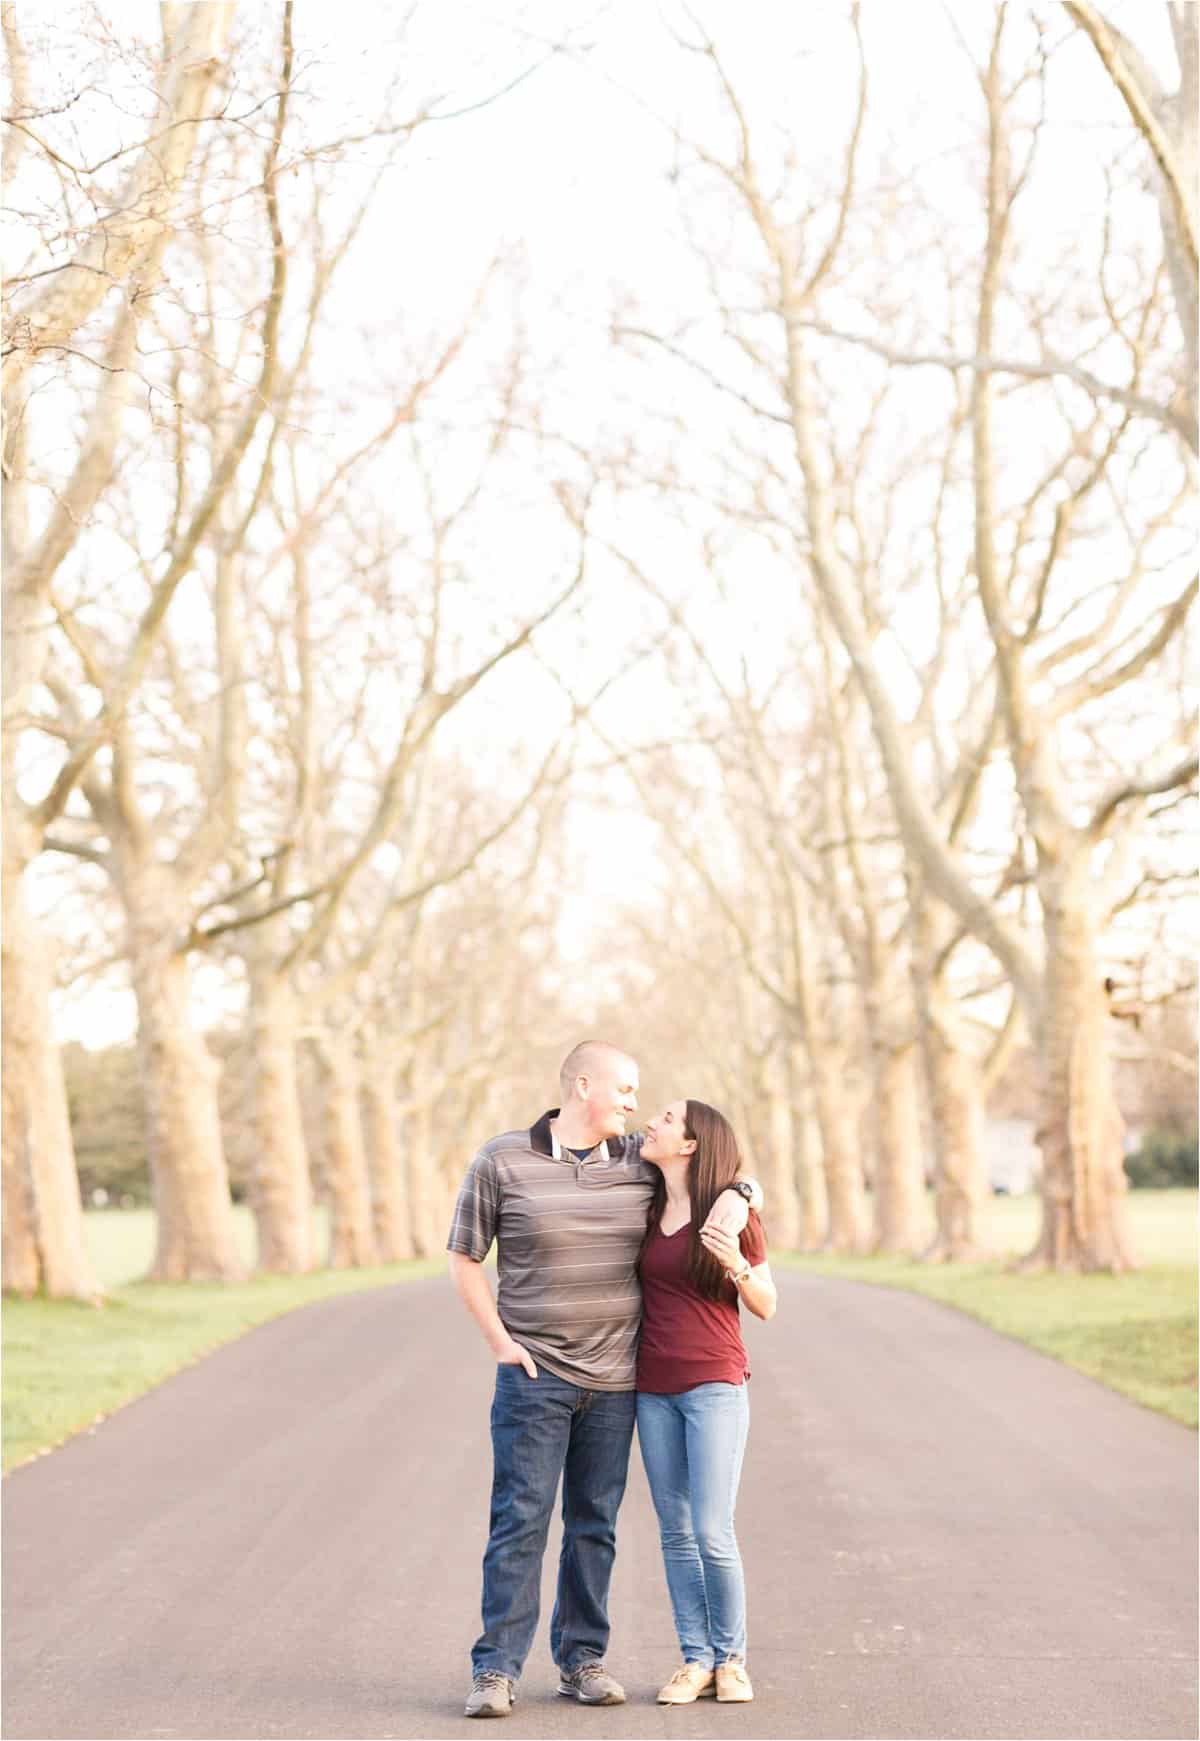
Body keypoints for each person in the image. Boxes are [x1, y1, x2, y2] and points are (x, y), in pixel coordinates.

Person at [446, 1041, 763, 1719]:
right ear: (583, 1085)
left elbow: (707, 1167)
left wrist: (743, 1192)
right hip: (534, 1377)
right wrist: (500, 1342)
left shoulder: (636, 1164)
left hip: (619, 1382)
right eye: (625, 1090)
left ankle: (580, 1658)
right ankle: (495, 1669)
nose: (634, 1104)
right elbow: (464, 1256)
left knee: (595, 1526)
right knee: (520, 1523)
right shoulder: (501, 1159)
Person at [635, 1098, 777, 1706]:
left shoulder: (731, 1214)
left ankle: (732, 1661)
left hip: (716, 1384)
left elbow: (768, 1304)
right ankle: (695, 1660)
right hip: (652, 1389)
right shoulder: (644, 1203)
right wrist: (749, 1185)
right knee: (674, 1533)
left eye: (665, 1119)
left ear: (691, 1145)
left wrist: (735, 1263)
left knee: (712, 1529)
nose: (651, 1123)